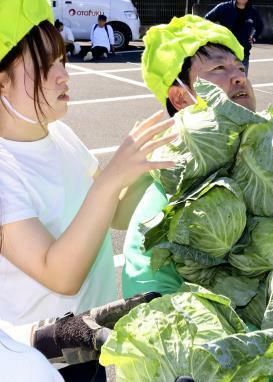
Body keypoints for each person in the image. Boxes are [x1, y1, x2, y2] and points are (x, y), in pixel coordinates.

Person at [0, 0, 175, 379]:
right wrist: (113, 175)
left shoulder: (60, 134)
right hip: (40, 363)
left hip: (90, 343)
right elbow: (59, 272)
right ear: (1, 81)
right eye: (47, 66)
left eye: (62, 61)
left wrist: (155, 165)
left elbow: (111, 213)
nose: (64, 75)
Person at [122, 14, 257, 299]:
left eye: (241, 67)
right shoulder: (171, 182)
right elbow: (151, 300)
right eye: (219, 67)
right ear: (181, 98)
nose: (240, 76)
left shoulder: (262, 146)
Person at [205, 0, 264, 75]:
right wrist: (215, 35)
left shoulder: (253, 12)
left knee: (241, 82)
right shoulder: (224, 7)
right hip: (224, 54)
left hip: (243, 54)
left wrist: (254, 37)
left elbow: (260, 26)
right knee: (223, 82)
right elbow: (206, 20)